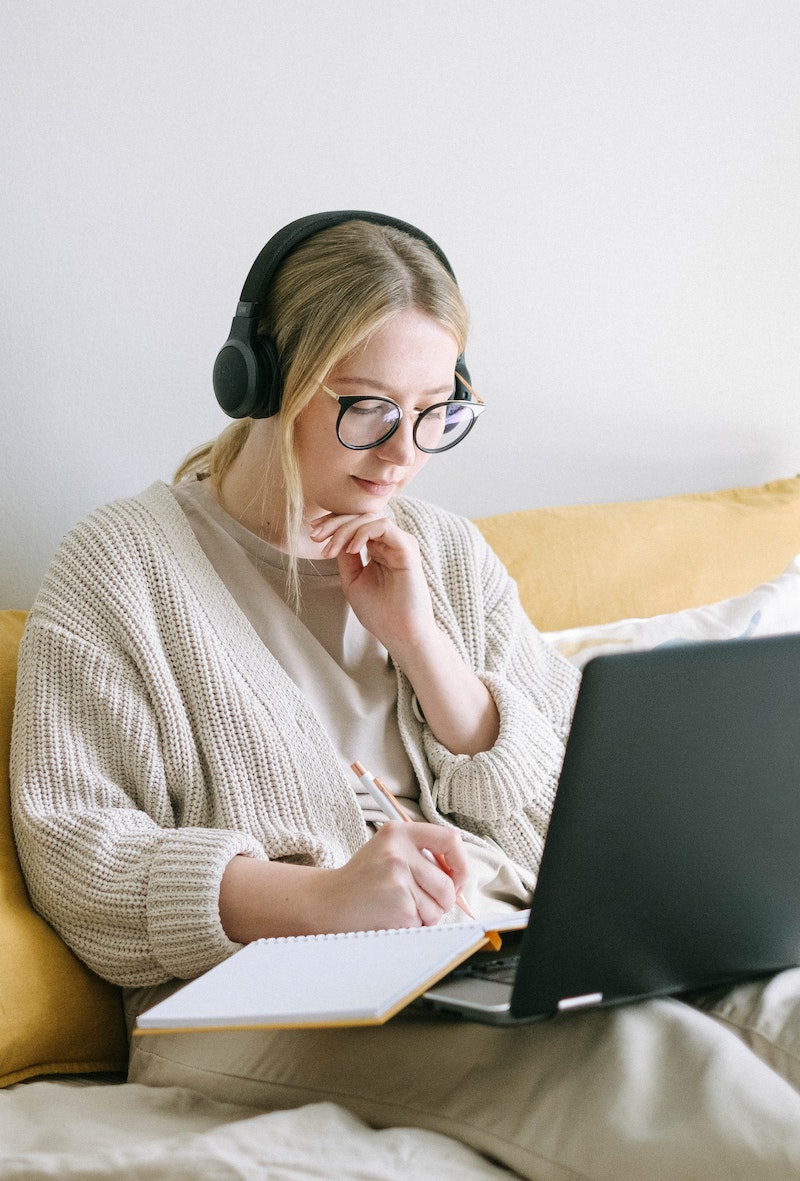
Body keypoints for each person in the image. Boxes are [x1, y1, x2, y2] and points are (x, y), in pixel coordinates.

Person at [11, 211, 800, 1180]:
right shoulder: (123, 565)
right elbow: (79, 855)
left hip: (505, 948)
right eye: (367, 407)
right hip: (257, 1001)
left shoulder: (446, 553)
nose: (401, 455)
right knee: (651, 1073)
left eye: (434, 412)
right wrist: (324, 898)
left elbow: (578, 818)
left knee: (779, 1004)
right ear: (264, 382)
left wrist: (426, 648)